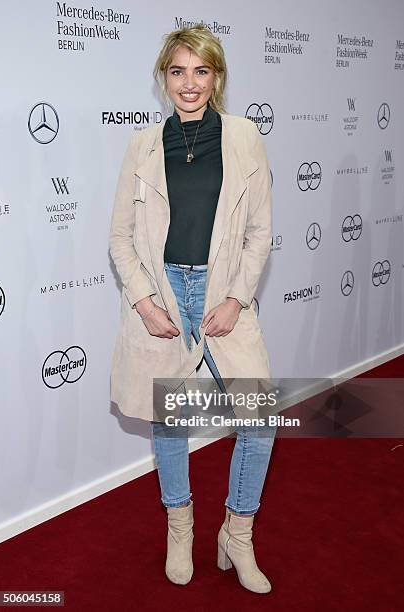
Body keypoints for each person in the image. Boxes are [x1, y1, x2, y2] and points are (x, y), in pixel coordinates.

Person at [109, 25, 277, 594]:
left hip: (224, 292)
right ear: (164, 78)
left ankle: (239, 532)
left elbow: (259, 231)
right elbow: (120, 239)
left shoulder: (244, 137)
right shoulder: (142, 145)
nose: (189, 83)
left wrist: (235, 298)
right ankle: (179, 528)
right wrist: (145, 302)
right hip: (164, 296)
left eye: (200, 71)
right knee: (168, 419)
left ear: (217, 77)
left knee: (258, 422)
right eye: (177, 71)